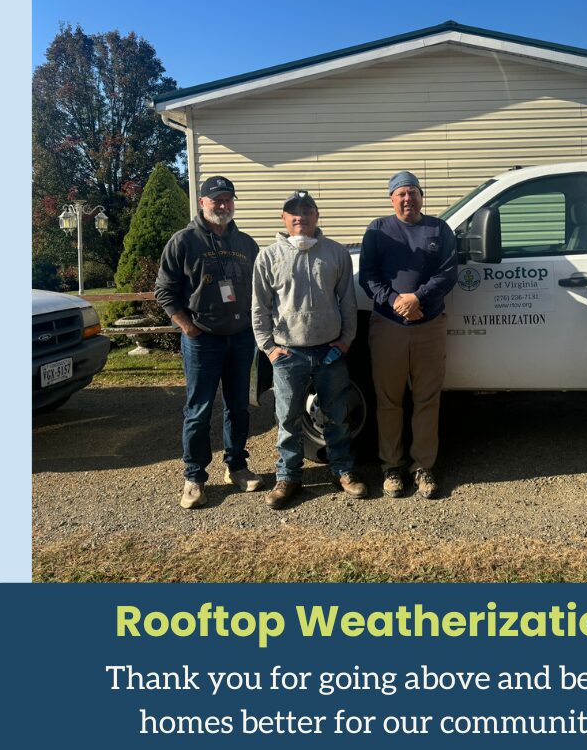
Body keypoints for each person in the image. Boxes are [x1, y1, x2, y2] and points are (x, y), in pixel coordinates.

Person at [251, 191, 366, 508]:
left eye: (307, 211)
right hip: (289, 356)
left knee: (337, 416)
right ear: (283, 218)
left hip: (330, 353)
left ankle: (343, 471)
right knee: (287, 419)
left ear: (317, 216)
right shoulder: (268, 257)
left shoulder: (336, 253)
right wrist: (269, 349)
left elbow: (348, 303)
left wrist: (345, 341)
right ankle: (288, 477)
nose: (300, 216)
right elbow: (259, 309)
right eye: (293, 212)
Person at [155, 175, 264, 510]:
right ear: (202, 203)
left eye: (228, 199)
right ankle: (194, 477)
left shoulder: (246, 243)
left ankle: (237, 467)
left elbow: (261, 289)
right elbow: (165, 291)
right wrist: (187, 327)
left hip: (241, 337)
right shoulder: (183, 241)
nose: (223, 205)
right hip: (203, 340)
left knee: (238, 406)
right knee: (198, 409)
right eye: (216, 200)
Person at [358, 171, 458, 499]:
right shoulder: (378, 229)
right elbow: (368, 276)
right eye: (401, 193)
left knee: (427, 399)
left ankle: (423, 467)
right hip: (388, 326)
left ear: (421, 196)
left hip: (429, 325)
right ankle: (391, 467)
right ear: (391, 199)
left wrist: (418, 298)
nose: (407, 198)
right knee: (388, 401)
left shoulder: (439, 229)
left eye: (412, 192)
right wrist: (395, 300)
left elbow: (447, 273)